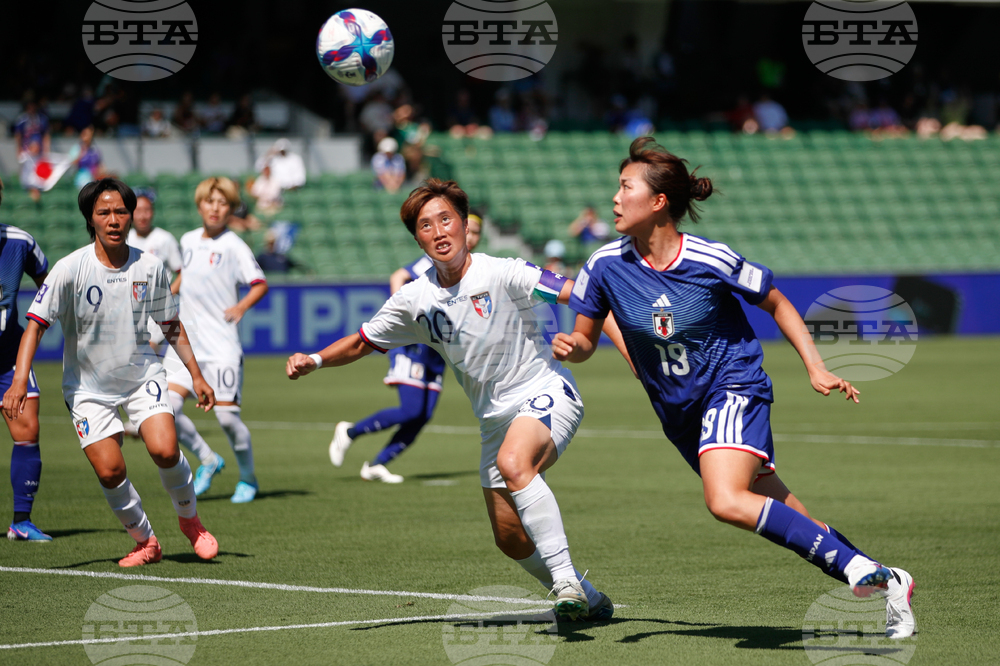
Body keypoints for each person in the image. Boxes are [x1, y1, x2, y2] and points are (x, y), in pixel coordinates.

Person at [552, 137, 917, 639]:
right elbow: (588, 338)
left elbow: (777, 302)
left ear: (659, 202)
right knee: (796, 521)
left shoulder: (711, 257)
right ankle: (888, 580)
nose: (614, 198)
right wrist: (574, 347)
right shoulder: (603, 266)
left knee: (724, 499)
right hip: (679, 415)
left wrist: (816, 366)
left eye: (625, 186)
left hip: (733, 387)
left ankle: (857, 573)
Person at [287, 181, 613, 621]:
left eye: (445, 220)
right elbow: (364, 341)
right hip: (493, 419)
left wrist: (599, 343)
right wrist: (316, 359)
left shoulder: (503, 271)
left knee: (517, 464)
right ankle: (589, 598)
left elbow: (585, 295)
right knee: (509, 537)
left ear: (464, 225)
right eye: (426, 226)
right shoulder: (414, 299)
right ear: (417, 239)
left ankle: (566, 581)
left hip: (546, 390)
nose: (439, 231)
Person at [1, 178, 219, 566]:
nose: (115, 219)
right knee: (110, 470)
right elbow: (34, 325)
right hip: (87, 389)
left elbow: (170, 322)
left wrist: (196, 375)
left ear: (131, 216)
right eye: (104, 212)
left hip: (141, 377)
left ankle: (192, 523)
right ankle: (146, 542)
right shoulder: (70, 268)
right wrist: (19, 380)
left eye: (121, 211)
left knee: (165, 450)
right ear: (91, 218)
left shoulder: (149, 265)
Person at [328, 214, 482, 483]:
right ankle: (350, 432)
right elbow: (399, 275)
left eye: (478, 232)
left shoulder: (475, 267)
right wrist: (403, 313)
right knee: (411, 410)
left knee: (423, 415)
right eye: (470, 229)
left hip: (437, 352)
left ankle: (377, 464)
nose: (472, 236)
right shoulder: (439, 259)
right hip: (414, 345)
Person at [163, 177, 269, 503]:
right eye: (210, 202)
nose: (215, 208)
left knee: (226, 418)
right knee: (165, 410)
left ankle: (248, 479)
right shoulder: (188, 240)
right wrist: (166, 297)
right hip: (186, 343)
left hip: (221, 345)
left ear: (231, 209)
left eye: (223, 203)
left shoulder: (234, 246)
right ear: (200, 205)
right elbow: (186, 275)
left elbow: (259, 283)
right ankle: (208, 459)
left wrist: (241, 306)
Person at [0, 177, 51, 541]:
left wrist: (37, 326)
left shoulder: (19, 242)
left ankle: (21, 520)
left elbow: (48, 284)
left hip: (7, 356)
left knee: (27, 430)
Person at [70, 126, 106, 190]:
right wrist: (81, 153)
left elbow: (100, 165)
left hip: (94, 179)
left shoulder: (95, 149)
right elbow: (72, 163)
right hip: (80, 179)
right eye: (86, 135)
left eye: (90, 135)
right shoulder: (77, 148)